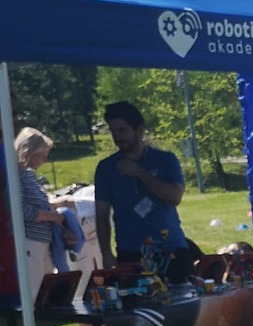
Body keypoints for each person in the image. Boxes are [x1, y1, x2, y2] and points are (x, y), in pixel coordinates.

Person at [93, 101, 186, 267]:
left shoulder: (165, 160)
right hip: (130, 252)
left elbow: (175, 197)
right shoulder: (106, 168)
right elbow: (101, 214)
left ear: (139, 130)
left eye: (122, 130)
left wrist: (140, 173)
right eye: (113, 131)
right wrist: (106, 253)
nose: (117, 137)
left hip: (170, 248)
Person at [14, 127, 84, 274]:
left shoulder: (29, 175)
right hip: (30, 244)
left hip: (43, 244)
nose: (44, 161)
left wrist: (64, 227)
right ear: (28, 153)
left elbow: (43, 206)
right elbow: (20, 210)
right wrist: (54, 217)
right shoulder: (16, 176)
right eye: (42, 156)